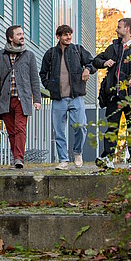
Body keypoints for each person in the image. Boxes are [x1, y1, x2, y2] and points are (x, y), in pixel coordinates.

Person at [93, 17, 131, 169]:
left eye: (119, 27)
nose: (116, 29)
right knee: (112, 128)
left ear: (127, 29)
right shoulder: (114, 47)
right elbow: (96, 60)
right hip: (114, 96)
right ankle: (107, 159)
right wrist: (104, 62)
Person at [39, 24, 95, 170]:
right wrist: (50, 86)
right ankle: (63, 159)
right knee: (59, 131)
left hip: (76, 97)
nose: (68, 37)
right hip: (58, 99)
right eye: (65, 34)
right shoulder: (50, 53)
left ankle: (77, 152)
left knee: (81, 127)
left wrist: (87, 69)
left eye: (70, 34)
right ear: (58, 36)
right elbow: (43, 73)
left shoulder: (78, 50)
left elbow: (92, 62)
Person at [0, 25, 41, 169]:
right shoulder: (0, 55)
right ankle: (16, 157)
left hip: (22, 100)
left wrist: (37, 99)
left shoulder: (29, 55)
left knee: (20, 129)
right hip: (5, 100)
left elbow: (34, 79)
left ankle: (18, 159)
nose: (22, 36)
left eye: (22, 34)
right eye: (18, 34)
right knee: (11, 132)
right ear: (11, 38)